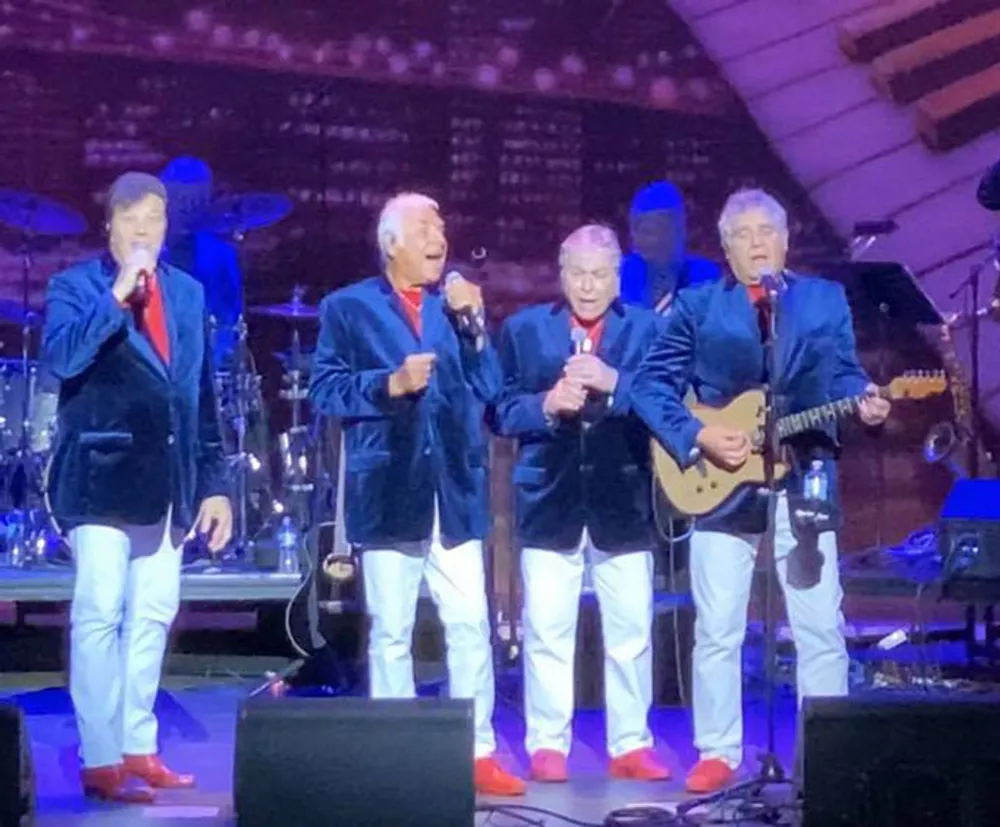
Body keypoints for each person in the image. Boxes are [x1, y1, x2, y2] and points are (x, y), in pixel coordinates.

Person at [630, 188, 891, 794]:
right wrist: (698, 436)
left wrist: (868, 400)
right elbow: (649, 387)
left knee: (819, 623)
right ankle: (718, 751)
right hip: (718, 486)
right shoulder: (698, 305)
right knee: (718, 625)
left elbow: (844, 373)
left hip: (804, 475)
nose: (755, 244)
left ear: (785, 240)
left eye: (765, 231)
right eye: (742, 234)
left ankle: (827, 753)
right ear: (725, 248)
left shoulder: (822, 300)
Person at [307, 192, 524, 797]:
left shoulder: (454, 310)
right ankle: (394, 748)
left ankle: (478, 749)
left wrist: (476, 328)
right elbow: (325, 389)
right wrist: (390, 384)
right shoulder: (348, 308)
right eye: (425, 228)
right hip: (389, 491)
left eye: (442, 226)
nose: (440, 238)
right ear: (391, 243)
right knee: (392, 630)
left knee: (469, 624)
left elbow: (490, 389)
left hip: (453, 493)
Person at [43, 172, 233, 802]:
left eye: (153, 220)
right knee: (100, 613)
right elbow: (62, 360)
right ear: (110, 229)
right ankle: (99, 759)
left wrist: (215, 483)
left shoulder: (186, 292)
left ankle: (137, 745)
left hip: (171, 481)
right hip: (100, 478)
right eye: (131, 221)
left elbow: (197, 394)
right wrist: (115, 300)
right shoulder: (75, 287)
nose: (144, 231)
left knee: (153, 615)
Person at [491, 224, 670, 782]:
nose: (588, 286)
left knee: (631, 631)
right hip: (550, 496)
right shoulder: (523, 330)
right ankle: (547, 742)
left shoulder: (648, 330)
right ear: (561, 274)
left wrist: (612, 383)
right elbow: (497, 410)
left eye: (600, 275)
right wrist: (546, 404)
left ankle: (630, 743)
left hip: (624, 497)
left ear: (617, 278)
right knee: (546, 628)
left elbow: (664, 405)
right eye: (578, 274)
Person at [159, 156, 243, 367]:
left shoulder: (221, 255)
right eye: (183, 200)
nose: (189, 209)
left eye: (197, 201)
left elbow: (230, 316)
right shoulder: (140, 251)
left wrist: (216, 357)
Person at [619, 180, 722, 313]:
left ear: (674, 231)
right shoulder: (622, 276)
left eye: (647, 230)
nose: (636, 238)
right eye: (634, 229)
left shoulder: (705, 278)